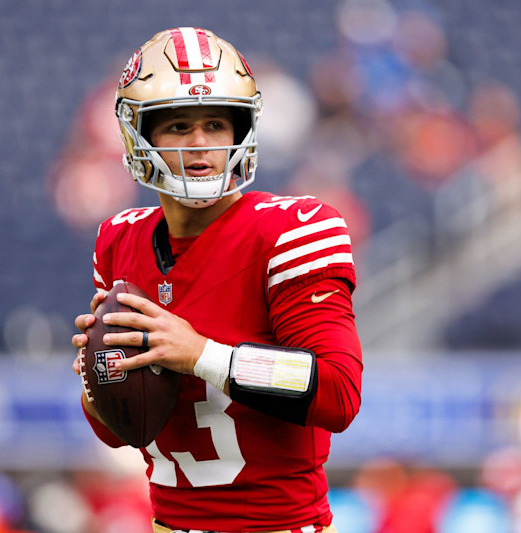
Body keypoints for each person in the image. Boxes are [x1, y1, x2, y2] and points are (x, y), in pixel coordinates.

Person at [71, 27, 362, 533]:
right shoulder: (119, 240)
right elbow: (121, 432)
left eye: (215, 123)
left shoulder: (292, 230)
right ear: (140, 135)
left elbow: (338, 392)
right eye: (179, 126)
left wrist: (202, 355)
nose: (200, 146)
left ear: (241, 131)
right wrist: (102, 377)